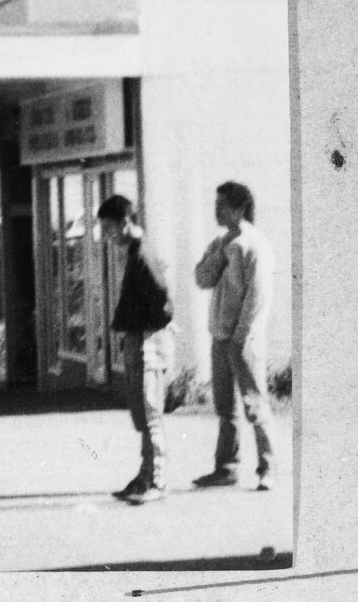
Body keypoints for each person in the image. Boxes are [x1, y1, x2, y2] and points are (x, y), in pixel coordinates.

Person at [192, 181, 277, 492]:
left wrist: (243, 336)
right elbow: (201, 278)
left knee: (254, 404)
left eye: (223, 205)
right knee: (225, 408)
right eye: (216, 204)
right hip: (220, 337)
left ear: (240, 208)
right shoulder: (221, 242)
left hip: (245, 341)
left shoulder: (255, 244)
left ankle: (268, 468)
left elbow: (258, 296)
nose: (217, 210)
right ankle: (226, 467)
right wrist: (220, 254)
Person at [97, 194, 176, 504]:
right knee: (143, 413)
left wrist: (140, 327)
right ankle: (145, 476)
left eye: (108, 228)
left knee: (150, 411)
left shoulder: (143, 254)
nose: (106, 235)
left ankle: (157, 479)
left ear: (124, 223)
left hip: (149, 342)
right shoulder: (134, 253)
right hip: (139, 339)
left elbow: (162, 302)